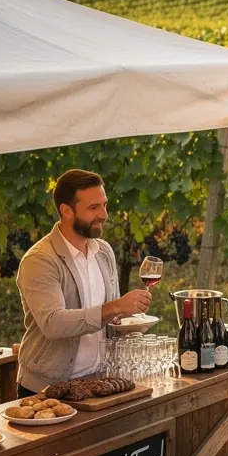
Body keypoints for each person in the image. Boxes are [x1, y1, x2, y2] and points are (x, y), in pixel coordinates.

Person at [15, 169, 152, 396]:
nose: (104, 215)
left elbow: (110, 317)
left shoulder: (103, 251)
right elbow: (53, 323)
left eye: (104, 205)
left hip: (98, 381)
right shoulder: (40, 260)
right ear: (66, 210)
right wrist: (116, 306)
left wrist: (128, 314)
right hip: (48, 389)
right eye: (93, 208)